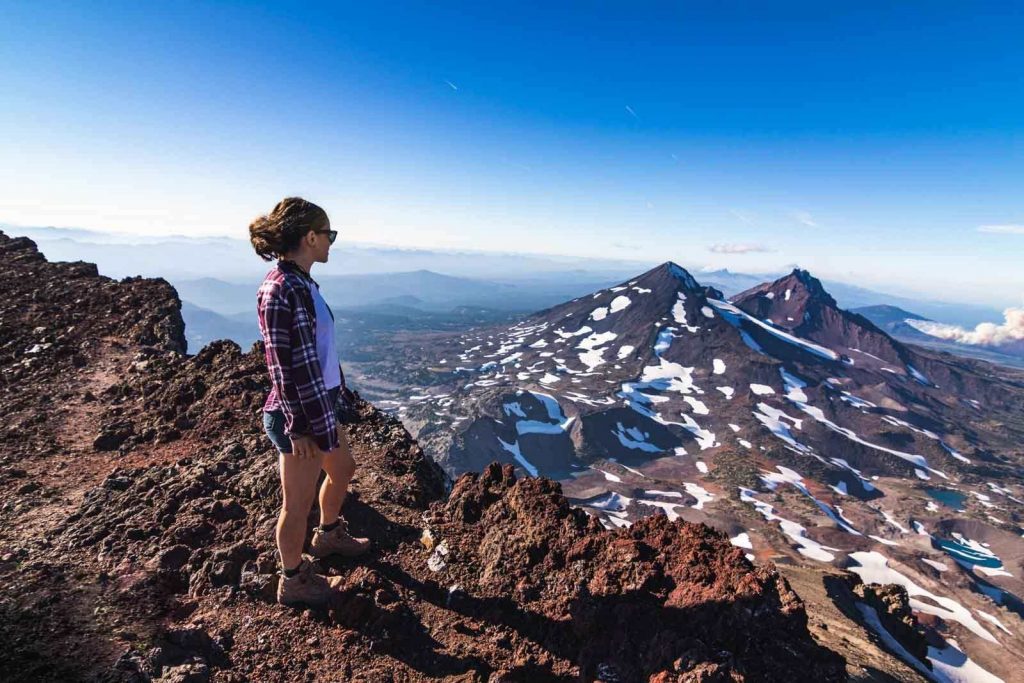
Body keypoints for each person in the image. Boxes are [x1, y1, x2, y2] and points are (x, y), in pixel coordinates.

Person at [249, 197, 371, 608]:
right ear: (310, 237)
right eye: (329, 235)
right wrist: (297, 427)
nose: (332, 243)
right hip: (301, 418)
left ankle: (329, 534)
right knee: (296, 506)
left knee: (344, 469)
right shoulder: (283, 289)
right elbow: (284, 367)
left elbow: (312, 356)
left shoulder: (300, 282)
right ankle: (294, 579)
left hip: (319, 409)